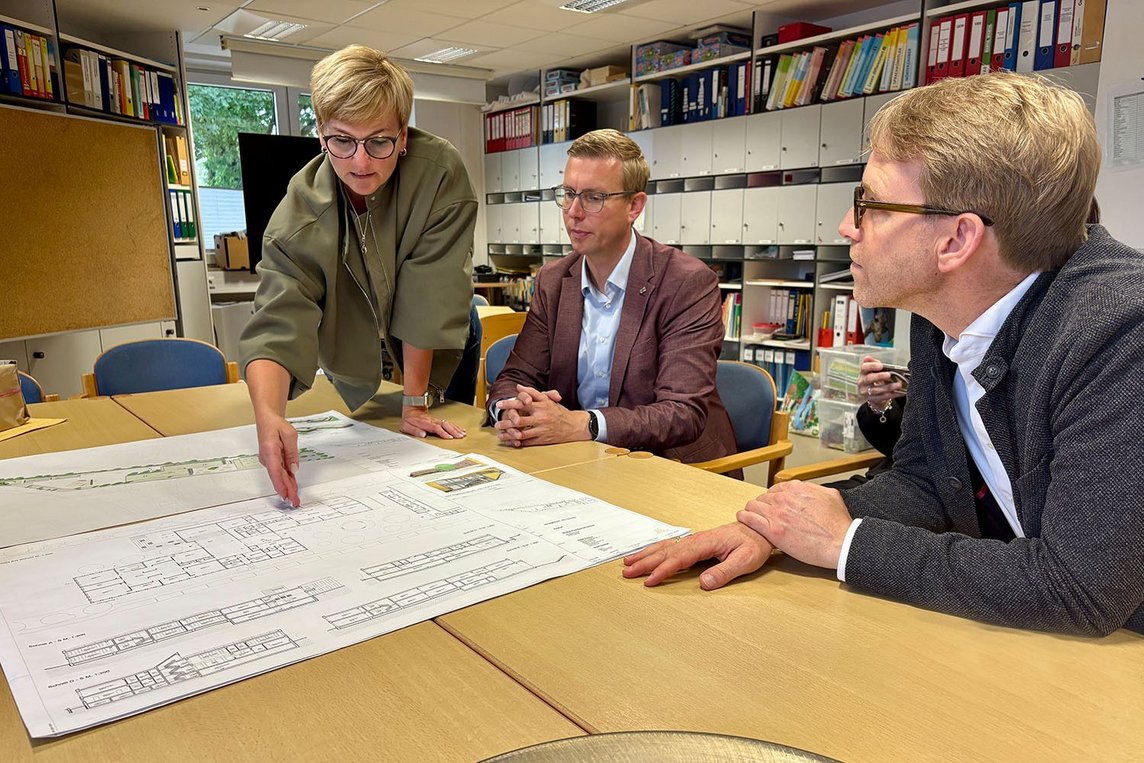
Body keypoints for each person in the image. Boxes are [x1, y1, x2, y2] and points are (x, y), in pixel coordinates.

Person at [624, 71, 1144, 636]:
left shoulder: (1121, 330)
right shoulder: (944, 309)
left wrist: (846, 541)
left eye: (870, 203)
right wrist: (779, 526)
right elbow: (924, 480)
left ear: (956, 241)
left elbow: (1080, 589)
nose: (848, 226)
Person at [239, 45, 478, 507]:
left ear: (403, 135)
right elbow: (278, 316)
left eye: (380, 141)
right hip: (360, 347)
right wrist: (268, 417)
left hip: (437, 343)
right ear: (321, 134)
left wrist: (413, 404)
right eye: (342, 140)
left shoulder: (440, 174)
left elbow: (429, 295)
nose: (361, 162)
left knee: (438, 469)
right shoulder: (302, 209)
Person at [487, 129, 737, 466]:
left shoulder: (687, 282)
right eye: (568, 193)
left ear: (634, 206)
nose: (573, 212)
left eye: (593, 197)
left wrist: (583, 423)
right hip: (582, 461)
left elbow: (682, 413)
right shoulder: (554, 279)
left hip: (670, 468)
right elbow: (514, 378)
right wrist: (511, 413)